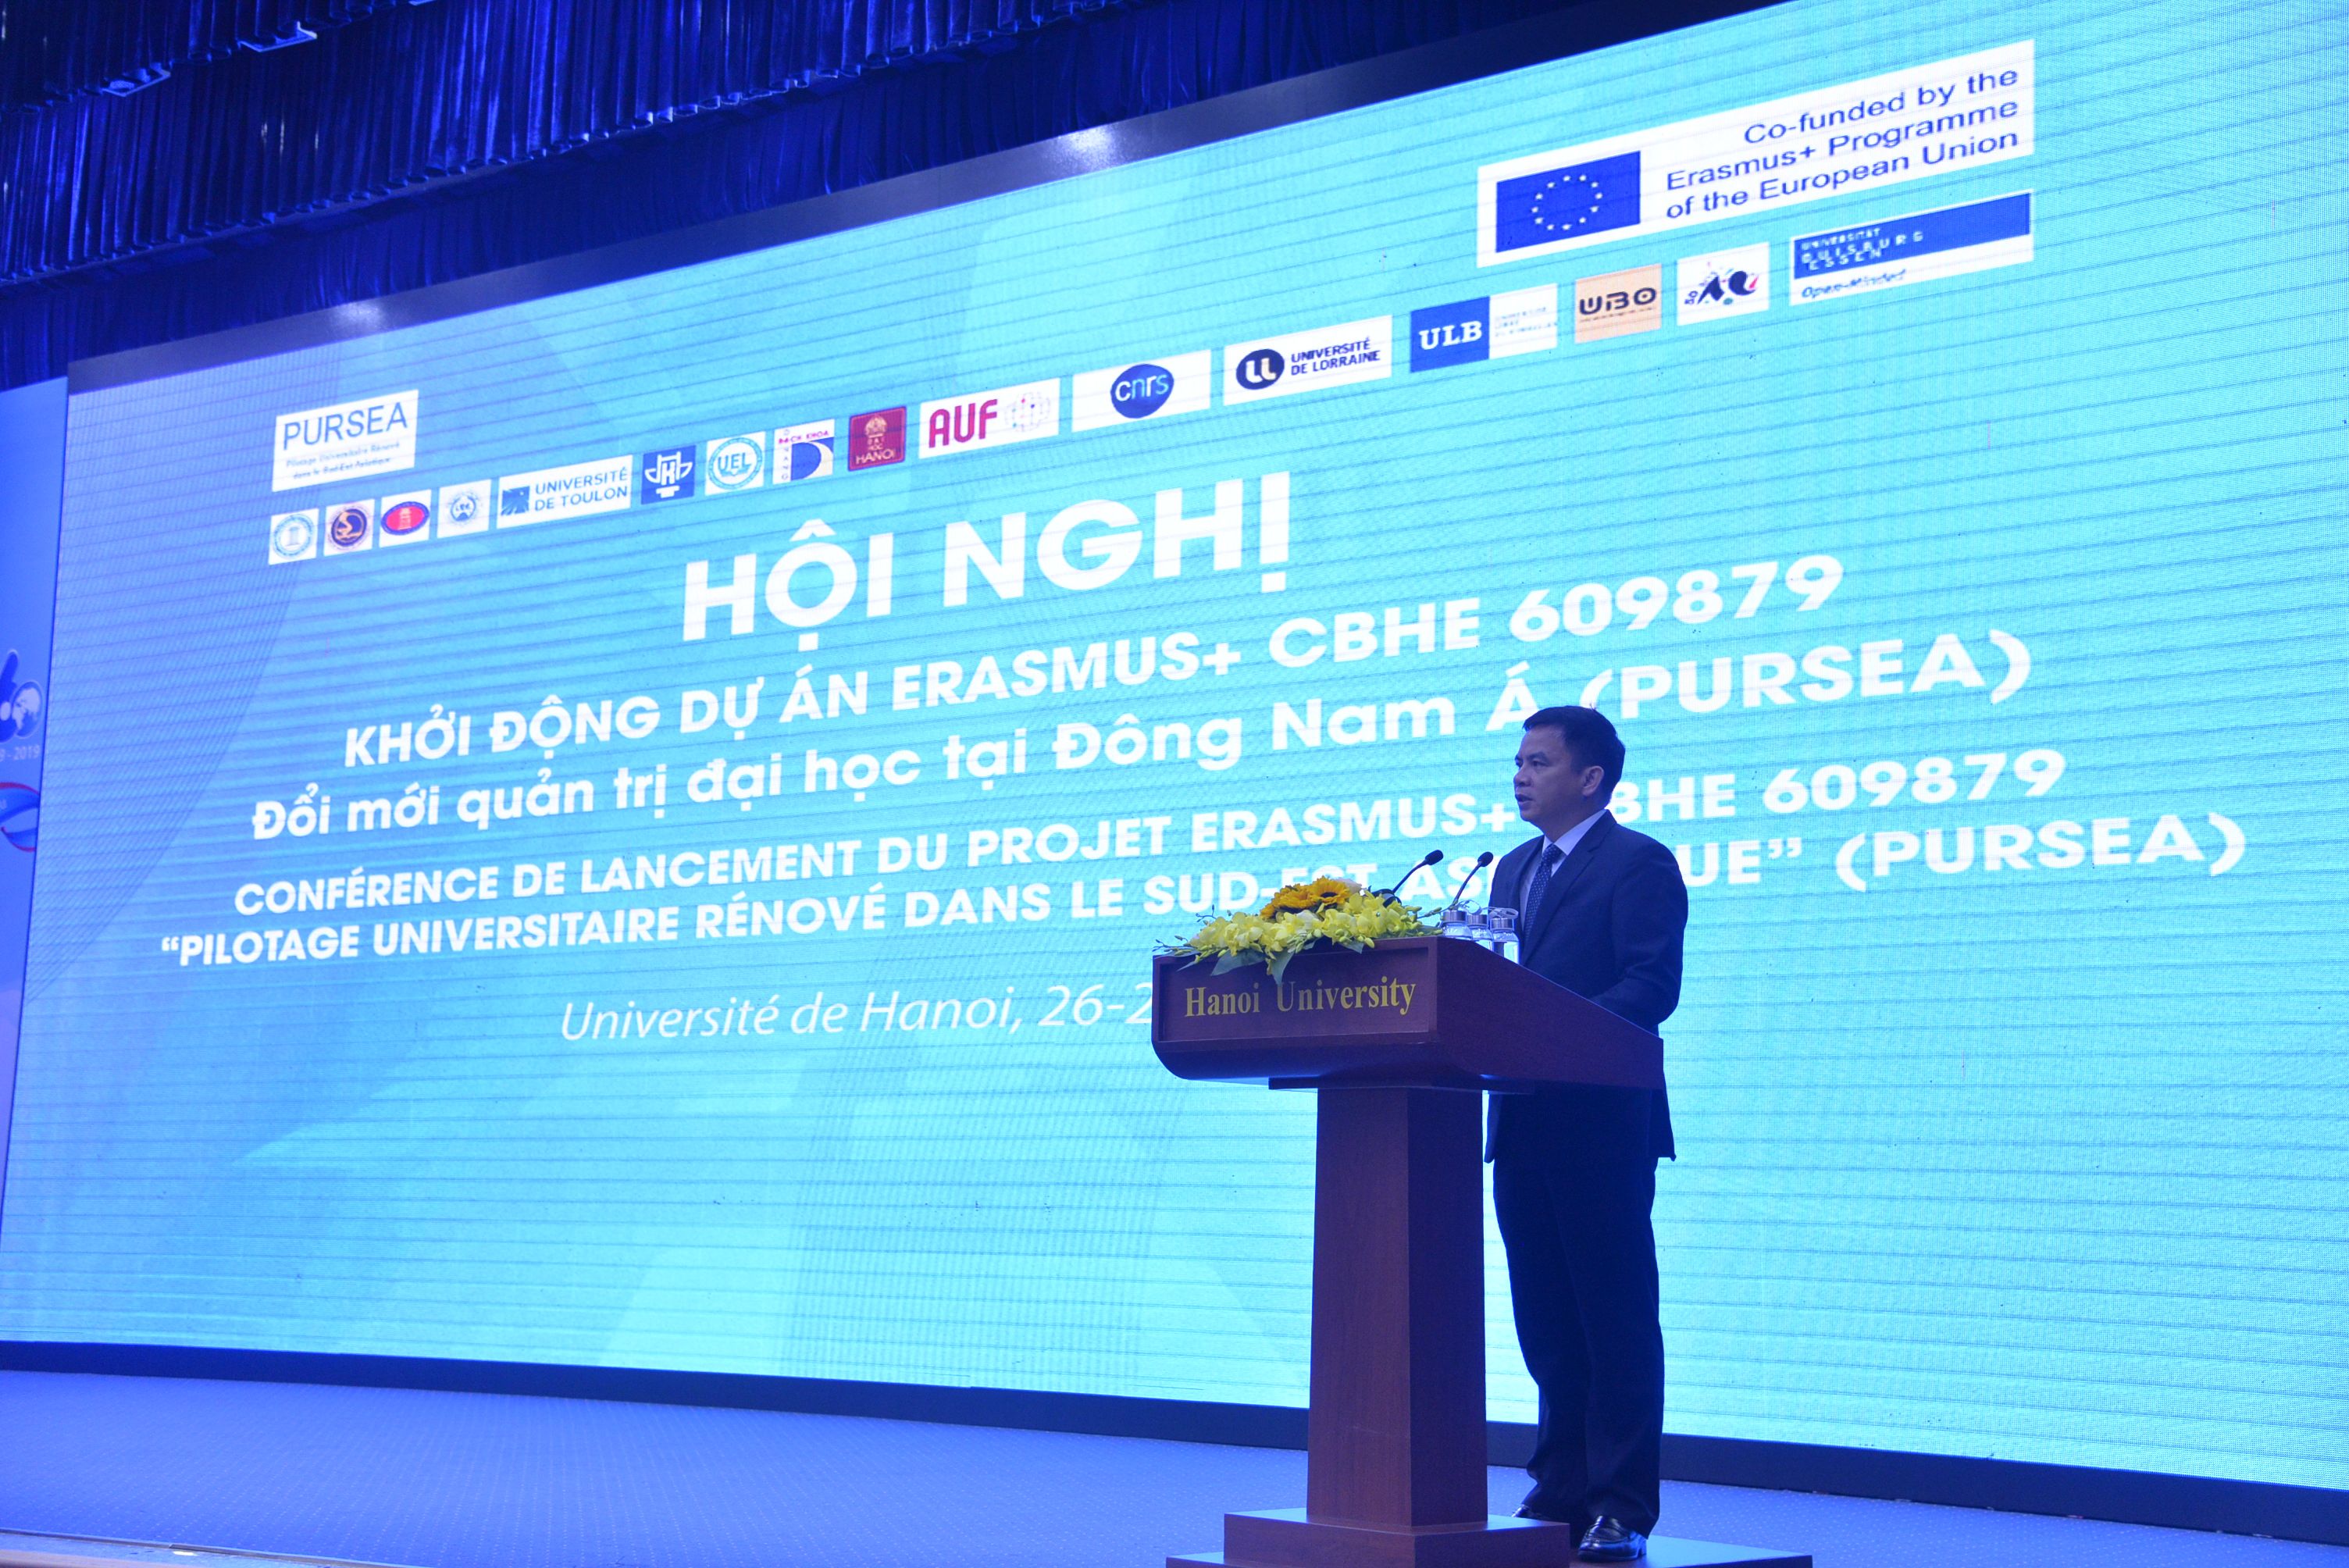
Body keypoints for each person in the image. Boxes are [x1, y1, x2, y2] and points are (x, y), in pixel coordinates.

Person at [1487, 704, 1686, 1560]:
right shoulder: (1510, 869)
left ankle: (1620, 1504)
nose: (1520, 775)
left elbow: (1650, 985)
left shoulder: (1638, 862)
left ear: (1591, 777)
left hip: (1601, 1124)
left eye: (1538, 761)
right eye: (1518, 761)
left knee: (1613, 1318)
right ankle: (1559, 1485)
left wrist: (1551, 1037)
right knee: (1545, 1319)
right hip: (1521, 1120)